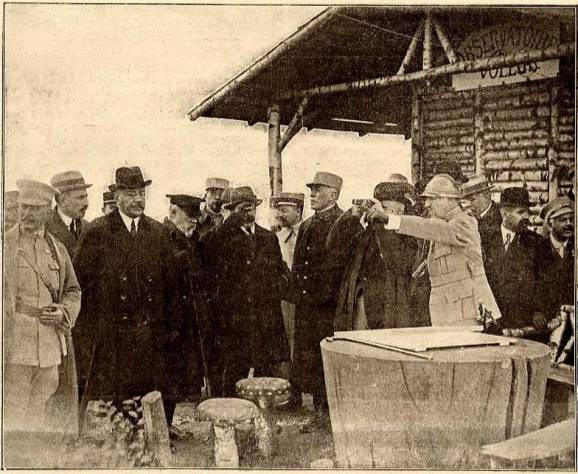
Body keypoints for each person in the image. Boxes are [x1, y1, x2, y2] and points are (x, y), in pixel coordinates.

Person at [73, 166, 183, 427]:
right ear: (118, 196)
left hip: (149, 332)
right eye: (132, 194)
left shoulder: (157, 233)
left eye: (142, 194)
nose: (138, 200)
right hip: (112, 336)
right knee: (115, 401)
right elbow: (80, 285)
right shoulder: (98, 232)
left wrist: (170, 329)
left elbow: (171, 288)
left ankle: (151, 439)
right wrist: (91, 332)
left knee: (149, 395)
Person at [366, 173, 501, 327]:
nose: (426, 205)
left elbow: (427, 227)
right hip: (447, 313)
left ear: (449, 200)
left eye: (432, 199)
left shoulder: (464, 222)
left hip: (467, 313)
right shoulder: (444, 225)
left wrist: (390, 219)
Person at [4, 179, 81, 434]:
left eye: (35, 208)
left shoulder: (57, 250)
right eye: (24, 206)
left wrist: (64, 311)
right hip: (15, 347)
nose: (26, 213)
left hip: (49, 349)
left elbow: (73, 290)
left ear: (48, 211)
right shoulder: (6, 246)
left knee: (41, 414)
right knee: (13, 415)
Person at [204, 186, 289, 396]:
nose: (249, 214)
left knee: (266, 376)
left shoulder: (268, 238)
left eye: (252, 208)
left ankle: (262, 422)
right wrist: (229, 224)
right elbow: (209, 267)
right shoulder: (220, 239)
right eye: (243, 209)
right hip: (234, 323)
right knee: (233, 375)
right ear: (231, 211)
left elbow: (279, 271)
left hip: (265, 320)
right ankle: (231, 423)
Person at [291, 171, 347, 431]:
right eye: (311, 190)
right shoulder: (307, 225)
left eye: (317, 190)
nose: (312, 195)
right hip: (307, 306)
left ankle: (329, 415)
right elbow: (298, 265)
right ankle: (320, 414)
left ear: (333, 195)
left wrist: (319, 297)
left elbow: (338, 269)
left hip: (328, 307)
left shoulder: (343, 223)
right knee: (310, 361)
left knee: (327, 360)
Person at [335, 175, 418, 331]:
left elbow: (394, 259)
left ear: (399, 211)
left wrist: (382, 221)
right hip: (361, 305)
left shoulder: (409, 237)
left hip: (389, 310)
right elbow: (333, 244)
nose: (378, 213)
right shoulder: (367, 231)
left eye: (384, 209)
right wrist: (351, 214)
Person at [163, 194, 209, 403]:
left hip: (187, 318)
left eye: (196, 216)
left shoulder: (188, 239)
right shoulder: (164, 237)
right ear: (173, 213)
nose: (195, 220)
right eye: (189, 215)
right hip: (172, 320)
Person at [482, 187, 546, 339]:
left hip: (523, 322)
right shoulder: (485, 239)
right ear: (504, 213)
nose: (526, 218)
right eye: (520, 213)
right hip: (492, 321)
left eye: (527, 212)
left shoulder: (537, 243)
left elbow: (544, 280)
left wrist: (539, 310)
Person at [536, 196, 574, 355]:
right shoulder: (537, 249)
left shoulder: (575, 248)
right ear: (550, 223)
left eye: (571, 219)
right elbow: (531, 284)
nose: (569, 224)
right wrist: (536, 310)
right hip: (544, 323)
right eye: (562, 220)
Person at [272, 192, 305, 360]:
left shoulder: (308, 234)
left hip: (304, 299)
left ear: (298, 211)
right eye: (278, 211)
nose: (279, 215)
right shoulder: (275, 239)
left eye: (284, 211)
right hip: (285, 300)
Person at [47, 171, 92, 259]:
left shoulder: (88, 227)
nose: (86, 203)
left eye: (86, 196)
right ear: (62, 201)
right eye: (80, 198)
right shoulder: (46, 229)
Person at [461, 174, 501, 259]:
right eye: (466, 200)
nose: (468, 204)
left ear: (486, 195)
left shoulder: (500, 217)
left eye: (472, 199)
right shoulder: (469, 218)